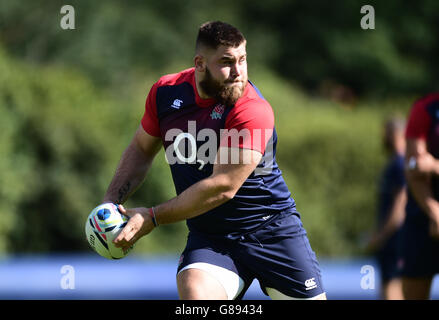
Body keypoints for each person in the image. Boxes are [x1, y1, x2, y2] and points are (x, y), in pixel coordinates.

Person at [102, 21, 326, 300]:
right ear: (200, 63)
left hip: (273, 232)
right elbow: (141, 147)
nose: (238, 73)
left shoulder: (252, 109)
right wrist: (110, 202)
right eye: (226, 62)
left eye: (243, 60)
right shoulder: (166, 93)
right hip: (212, 238)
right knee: (196, 294)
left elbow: (223, 187)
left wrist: (153, 216)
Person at [400, 93, 439, 299]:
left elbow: (425, 164)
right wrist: (436, 214)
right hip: (422, 218)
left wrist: (433, 165)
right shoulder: (425, 109)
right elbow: (414, 169)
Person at [366, 117, 406, 300]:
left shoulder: (400, 165)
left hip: (397, 241)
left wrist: (381, 236)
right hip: (390, 242)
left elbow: (400, 208)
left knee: (393, 290)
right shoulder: (393, 165)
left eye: (386, 133)